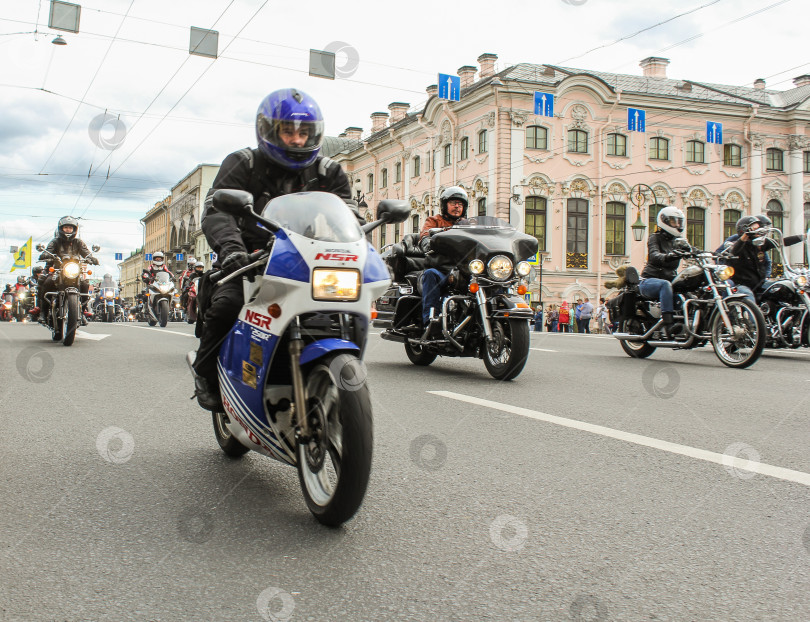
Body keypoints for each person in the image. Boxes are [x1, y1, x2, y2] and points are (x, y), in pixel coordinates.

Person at [193, 87, 357, 411]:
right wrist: (231, 250)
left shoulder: (329, 171)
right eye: (288, 130)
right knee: (228, 304)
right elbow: (217, 211)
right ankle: (205, 374)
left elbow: (350, 216)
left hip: (312, 255)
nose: (297, 139)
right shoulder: (243, 163)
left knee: (346, 308)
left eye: (304, 132)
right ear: (269, 130)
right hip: (251, 255)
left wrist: (360, 245)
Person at [718, 215, 805, 305]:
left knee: (785, 288)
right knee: (747, 295)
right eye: (754, 228)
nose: (758, 230)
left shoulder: (759, 244)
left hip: (760, 284)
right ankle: (752, 319)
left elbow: (782, 242)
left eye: (758, 227)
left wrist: (803, 237)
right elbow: (735, 250)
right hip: (742, 285)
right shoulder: (737, 245)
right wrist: (746, 235)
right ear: (744, 229)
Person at [417, 186, 469, 333]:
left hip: (464, 271)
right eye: (453, 203)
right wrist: (427, 241)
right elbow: (425, 235)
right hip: (443, 270)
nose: (457, 206)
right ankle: (430, 321)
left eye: (460, 204)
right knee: (430, 274)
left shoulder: (469, 224)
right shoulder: (434, 221)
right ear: (445, 205)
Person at [30, 216, 98, 323]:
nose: (68, 230)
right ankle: (43, 312)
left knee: (84, 284)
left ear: (74, 229)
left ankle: (82, 312)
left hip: (73, 271)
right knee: (47, 282)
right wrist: (46, 255)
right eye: (66, 227)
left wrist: (91, 258)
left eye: (70, 228)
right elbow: (48, 251)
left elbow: (85, 252)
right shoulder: (55, 242)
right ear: (61, 228)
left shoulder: (78, 242)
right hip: (58, 270)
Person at [638, 206, 689, 339]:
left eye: (679, 222)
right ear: (664, 221)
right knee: (665, 285)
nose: (677, 225)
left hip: (670, 279)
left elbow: (692, 249)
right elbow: (654, 255)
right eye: (674, 222)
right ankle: (668, 325)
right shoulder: (654, 238)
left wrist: (702, 253)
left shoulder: (679, 241)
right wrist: (668, 256)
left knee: (690, 288)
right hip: (649, 280)